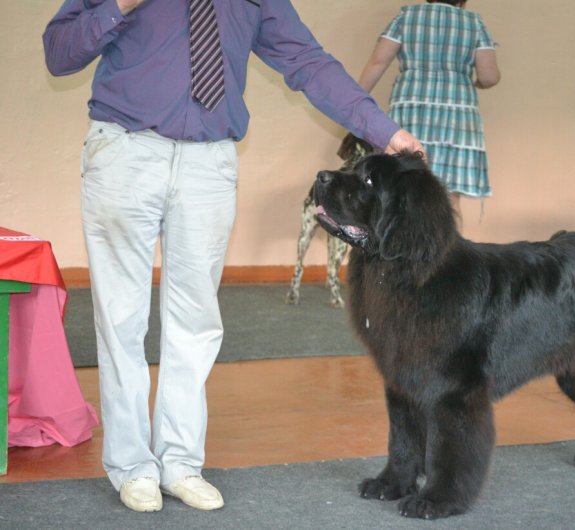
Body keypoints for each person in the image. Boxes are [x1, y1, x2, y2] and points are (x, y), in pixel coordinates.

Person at [42, 0, 423, 514]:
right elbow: (58, 52)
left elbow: (307, 61)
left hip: (209, 161)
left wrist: (385, 131)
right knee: (120, 317)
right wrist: (119, 5)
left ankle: (179, 463)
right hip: (126, 152)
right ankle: (131, 465)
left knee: (196, 320)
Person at [356, 0, 500, 221]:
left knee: (400, 192)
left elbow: (378, 61)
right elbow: (489, 76)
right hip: (457, 119)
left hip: (410, 113)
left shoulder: (406, 18)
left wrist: (356, 102)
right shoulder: (474, 23)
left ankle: (397, 253)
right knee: (449, 199)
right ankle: (446, 255)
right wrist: (478, 83)